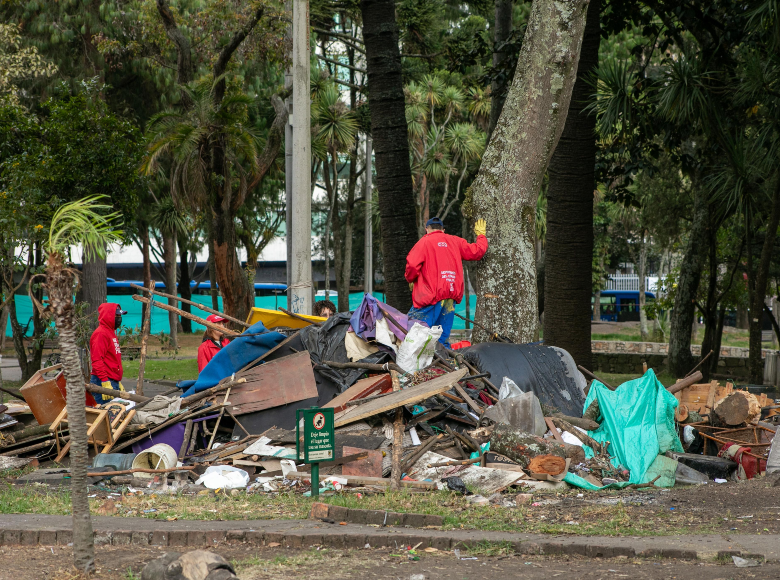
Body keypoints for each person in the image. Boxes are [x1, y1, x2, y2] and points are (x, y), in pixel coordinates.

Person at [404, 216, 488, 346]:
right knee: (441, 339)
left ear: (427, 229)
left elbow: (412, 266)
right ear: (443, 230)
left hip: (430, 296)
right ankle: (443, 364)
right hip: (450, 296)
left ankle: (413, 364)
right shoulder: (455, 241)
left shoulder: (424, 242)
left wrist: (411, 279)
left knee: (412, 334)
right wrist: (481, 236)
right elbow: (477, 251)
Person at [90, 302, 127, 403]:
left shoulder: (111, 332)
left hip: (111, 381)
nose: (119, 318)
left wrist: (117, 381)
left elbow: (112, 360)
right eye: (117, 315)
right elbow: (97, 360)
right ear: (109, 316)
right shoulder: (101, 334)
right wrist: (104, 381)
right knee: (106, 415)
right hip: (102, 381)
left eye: (120, 316)